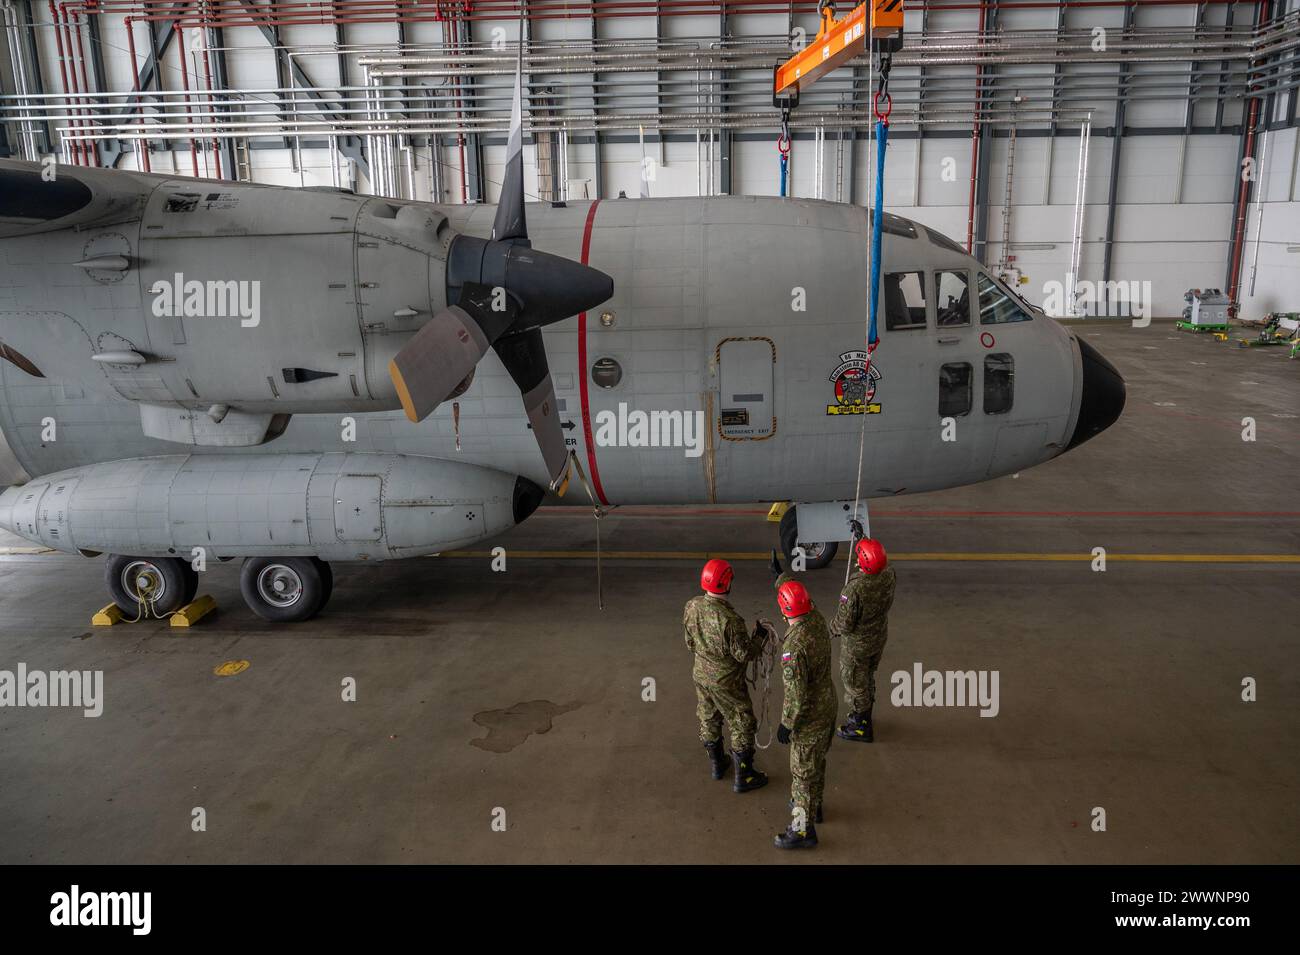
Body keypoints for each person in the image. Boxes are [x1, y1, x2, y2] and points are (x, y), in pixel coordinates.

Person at [683, 558, 770, 793]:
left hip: (700, 674)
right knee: (742, 720)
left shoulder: (692, 606)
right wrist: (760, 637)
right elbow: (744, 655)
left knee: (708, 716)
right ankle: (744, 776)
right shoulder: (731, 621)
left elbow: (690, 643)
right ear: (727, 582)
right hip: (726, 681)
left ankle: (717, 764)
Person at [770, 574, 836, 849]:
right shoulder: (817, 619)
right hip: (827, 706)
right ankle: (815, 807)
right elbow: (801, 599)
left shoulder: (793, 649)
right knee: (816, 762)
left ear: (783, 613)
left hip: (808, 717)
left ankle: (801, 830)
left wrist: (786, 724)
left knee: (801, 776)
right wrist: (782, 578)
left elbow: (796, 694)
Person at [834, 537, 896, 742]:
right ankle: (865, 713)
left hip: (857, 645)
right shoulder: (888, 574)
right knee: (867, 676)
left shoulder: (854, 589)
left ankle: (861, 726)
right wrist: (862, 540)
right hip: (878, 637)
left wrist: (829, 628)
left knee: (855, 683)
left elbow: (844, 624)